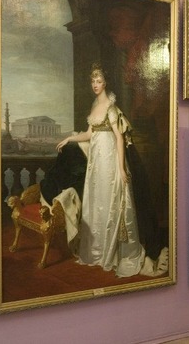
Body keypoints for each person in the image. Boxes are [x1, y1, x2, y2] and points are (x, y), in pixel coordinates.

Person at [55, 63, 149, 277]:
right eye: (93, 81)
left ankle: (111, 251)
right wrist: (69, 138)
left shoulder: (111, 107)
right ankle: (96, 251)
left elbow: (119, 138)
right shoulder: (94, 105)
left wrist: (121, 168)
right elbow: (89, 134)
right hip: (96, 163)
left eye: (99, 81)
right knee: (97, 203)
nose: (95, 85)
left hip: (110, 162)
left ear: (105, 83)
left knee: (109, 201)